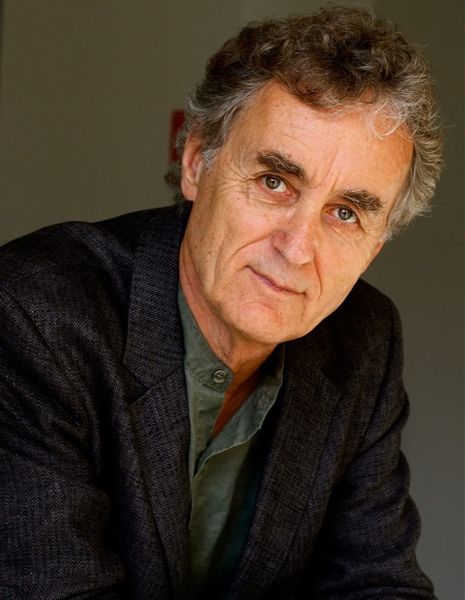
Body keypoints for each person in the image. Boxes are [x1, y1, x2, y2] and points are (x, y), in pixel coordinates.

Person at [0, 5, 442, 599]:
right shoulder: (33, 317)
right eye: (274, 182)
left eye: (345, 213)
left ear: (376, 244)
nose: (297, 249)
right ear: (195, 161)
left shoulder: (366, 339)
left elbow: (379, 583)